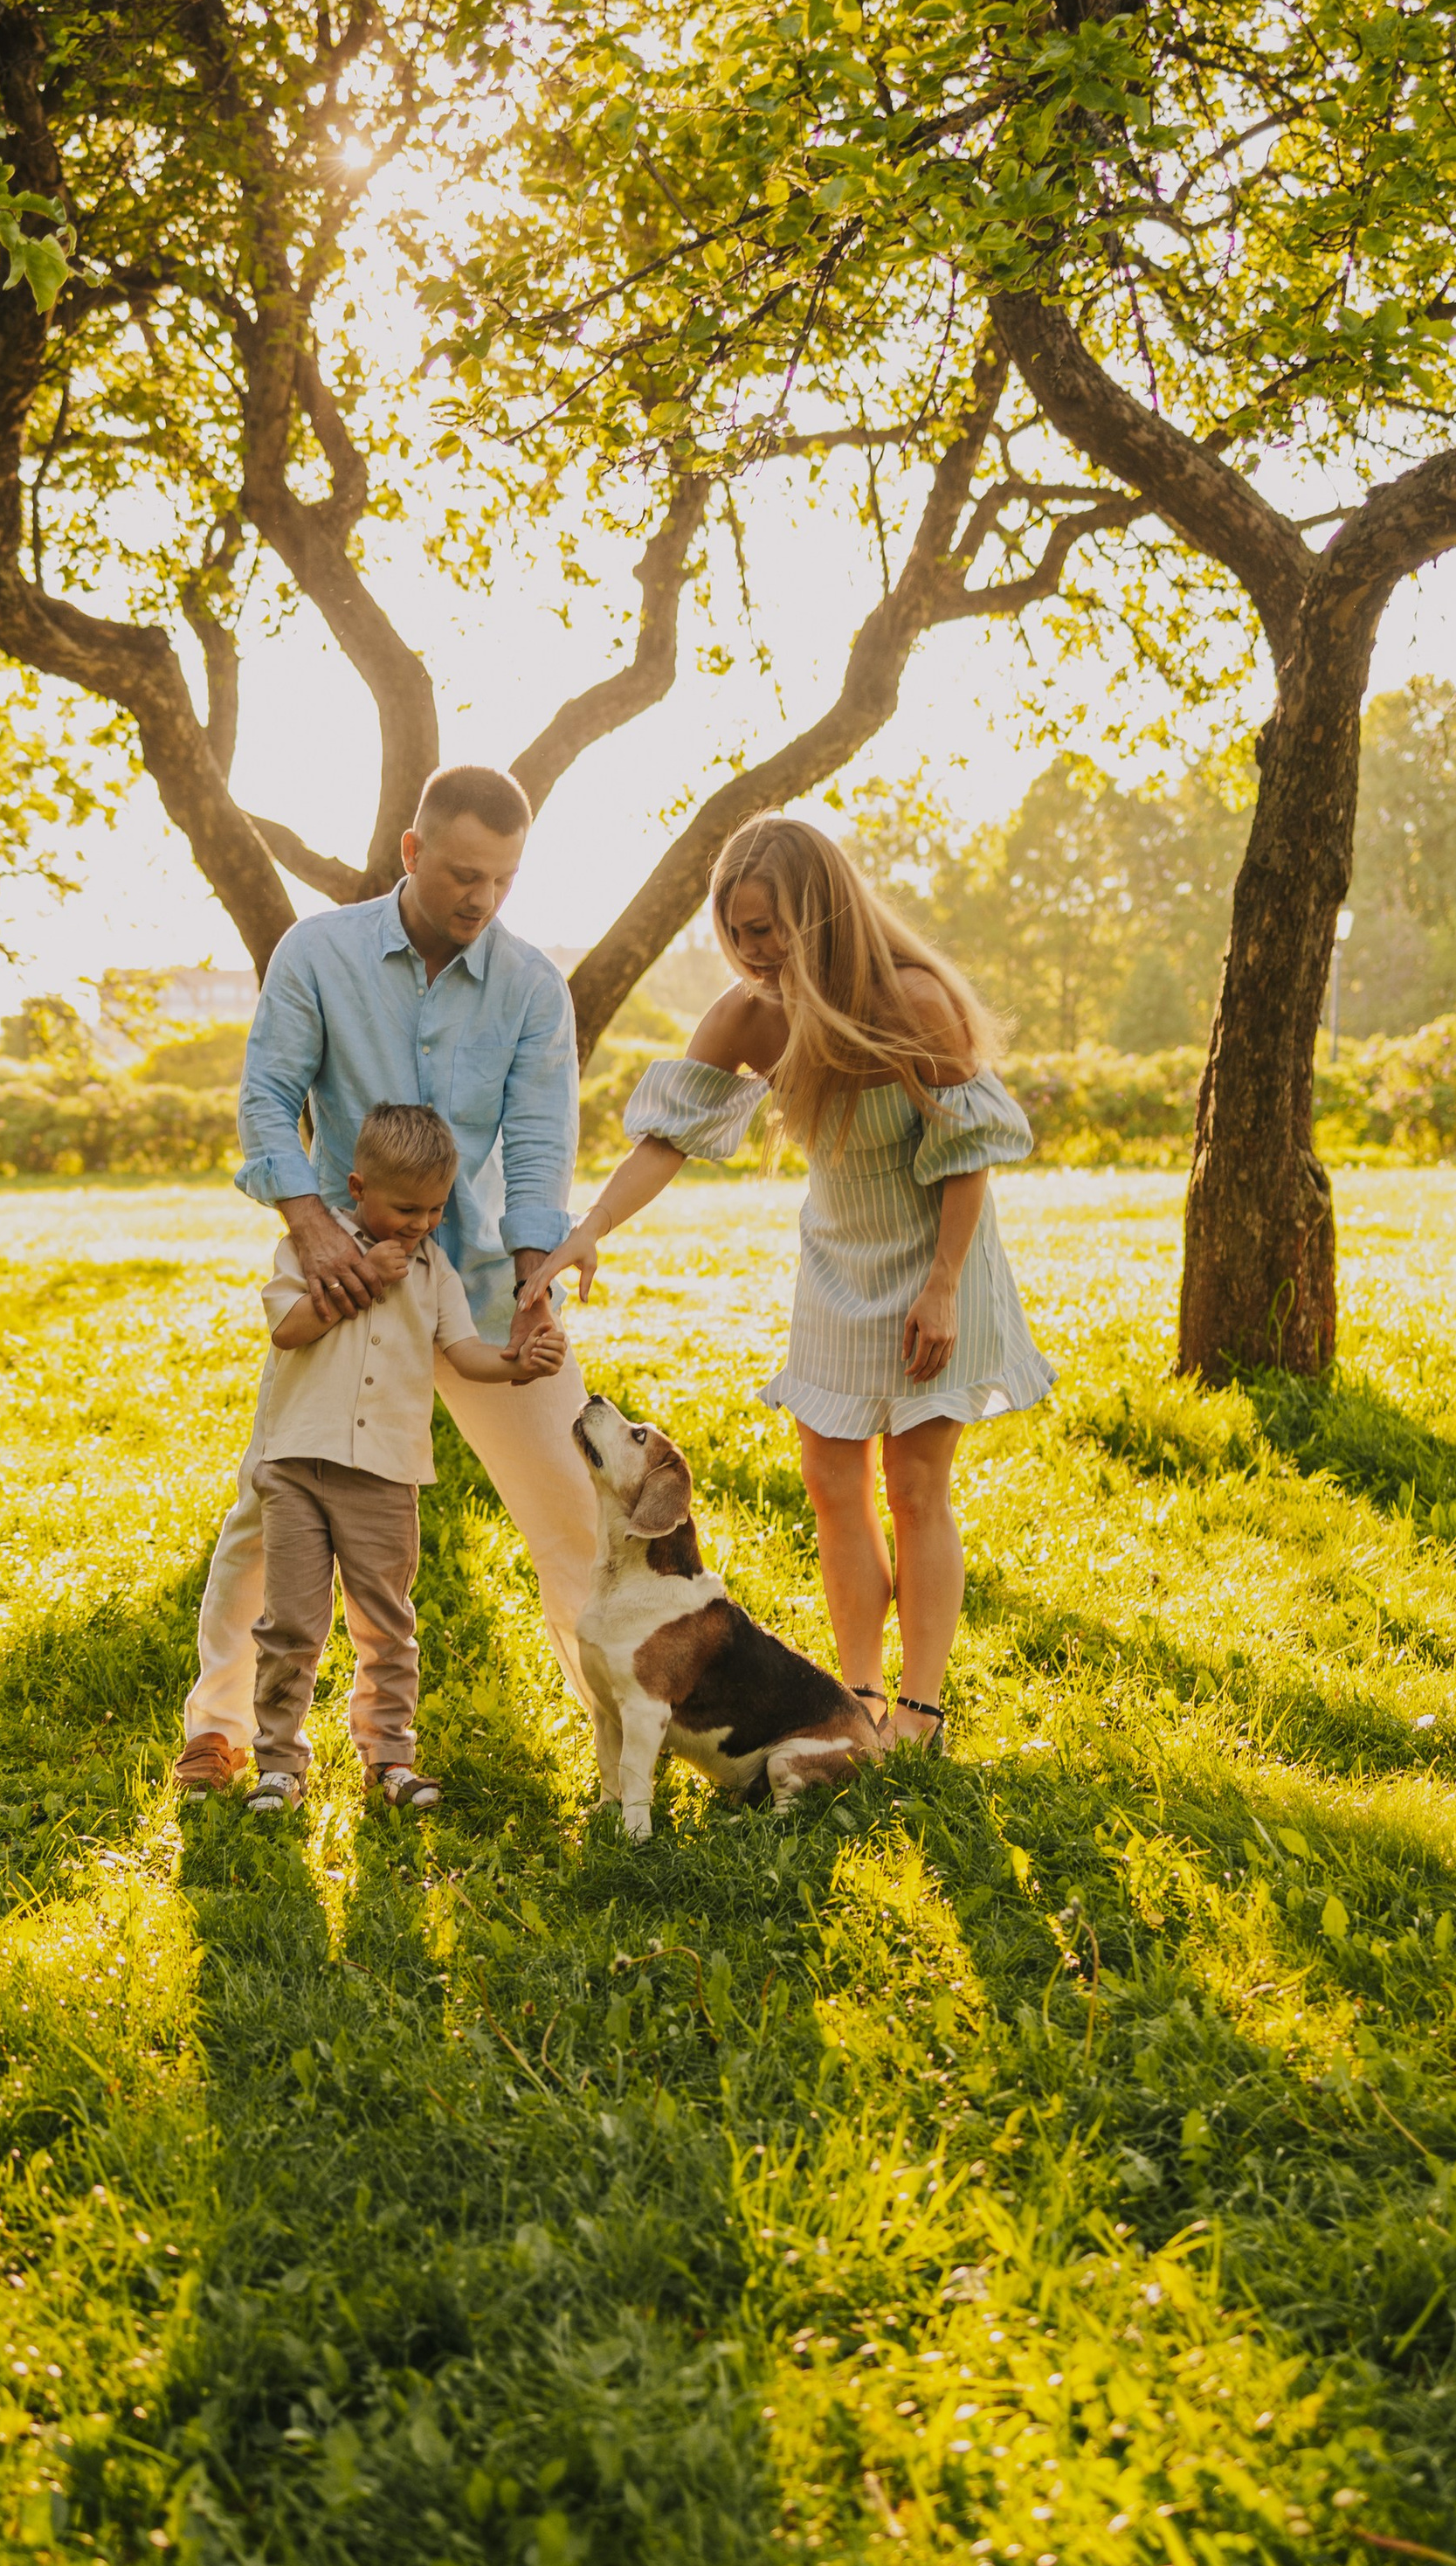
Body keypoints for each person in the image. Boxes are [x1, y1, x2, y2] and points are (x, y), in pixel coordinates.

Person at [519, 813, 1051, 1753]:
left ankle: (919, 1714)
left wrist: (941, 1287)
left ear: (821, 913)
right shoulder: (748, 1016)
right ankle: (859, 1697)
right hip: (837, 1261)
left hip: (939, 1257)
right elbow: (667, 1139)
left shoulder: (914, 1002)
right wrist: (587, 1230)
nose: (752, 950)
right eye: (736, 931)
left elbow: (969, 1154)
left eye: (767, 928)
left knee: (915, 1486)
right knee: (831, 1484)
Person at [176, 761, 597, 1795]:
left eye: (501, 880)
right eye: (462, 874)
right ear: (412, 852)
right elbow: (267, 1101)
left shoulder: (531, 986)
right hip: (345, 1289)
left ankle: (624, 1728)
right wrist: (313, 1230)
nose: (481, 899)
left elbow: (539, 1146)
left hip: (483, 1286)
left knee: (579, 1512)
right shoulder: (318, 953)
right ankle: (219, 1729)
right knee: (266, 1515)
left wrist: (535, 1279)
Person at [244, 1103, 567, 1816]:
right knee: (291, 1623)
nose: (422, 1223)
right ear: (358, 1188)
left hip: (387, 1475)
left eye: (436, 1209)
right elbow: (288, 1329)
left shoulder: (434, 1269)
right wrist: (361, 1273)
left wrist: (518, 1364)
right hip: (298, 1464)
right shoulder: (311, 1249)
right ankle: (278, 1764)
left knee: (387, 1625)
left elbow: (464, 1353)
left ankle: (389, 1757)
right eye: (407, 1208)